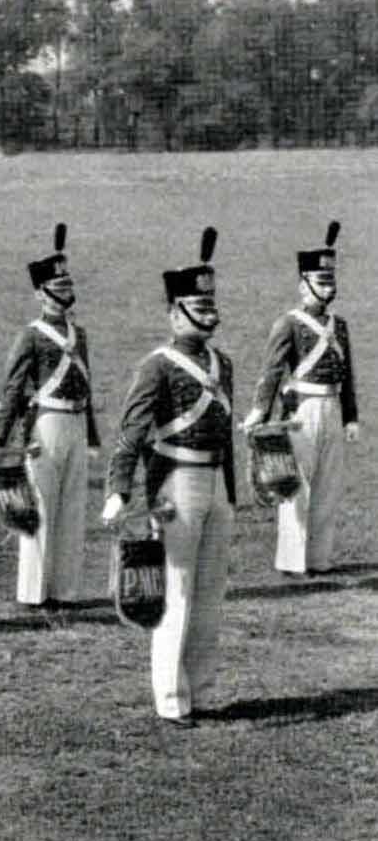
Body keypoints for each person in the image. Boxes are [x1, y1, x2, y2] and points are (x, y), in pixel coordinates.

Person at [102, 227, 236, 728]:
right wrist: (118, 490)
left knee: (210, 595)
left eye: (209, 304)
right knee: (176, 594)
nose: (206, 313)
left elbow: (224, 433)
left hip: (214, 483)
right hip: (175, 484)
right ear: (175, 313)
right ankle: (171, 698)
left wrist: (231, 493)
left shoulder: (223, 363)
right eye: (196, 306)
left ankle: (201, 690)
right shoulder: (156, 366)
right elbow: (131, 432)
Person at [0, 224, 101, 608]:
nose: (63, 294)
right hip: (45, 424)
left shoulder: (80, 334)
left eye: (66, 287)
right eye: (56, 288)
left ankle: (65, 589)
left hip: (75, 424)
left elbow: (86, 386)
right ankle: (33, 593)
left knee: (73, 508)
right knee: (41, 507)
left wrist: (92, 436)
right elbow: (12, 390)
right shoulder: (30, 336)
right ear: (40, 294)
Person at [242, 221, 360, 577]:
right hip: (301, 411)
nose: (326, 289)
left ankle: (319, 558)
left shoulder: (340, 325)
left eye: (329, 281)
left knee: (328, 485)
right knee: (297, 486)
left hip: (332, 406)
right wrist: (260, 412)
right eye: (320, 282)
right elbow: (271, 372)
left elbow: (347, 375)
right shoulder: (288, 324)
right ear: (302, 284)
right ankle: (292, 561)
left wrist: (351, 417)